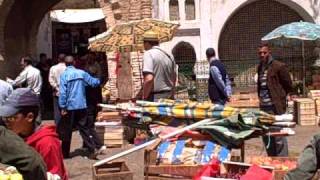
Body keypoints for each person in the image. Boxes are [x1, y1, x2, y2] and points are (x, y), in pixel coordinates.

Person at [0, 88, 68, 180]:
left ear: (29, 117)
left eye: (12, 118)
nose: (7, 122)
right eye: (5, 118)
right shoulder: (17, 137)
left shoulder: (47, 142)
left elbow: (54, 175)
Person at [59, 56, 105, 159]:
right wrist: (100, 79)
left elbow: (63, 92)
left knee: (67, 130)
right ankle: (92, 148)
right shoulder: (81, 73)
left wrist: (62, 106)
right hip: (82, 105)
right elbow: (94, 83)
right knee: (84, 128)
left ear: (65, 64)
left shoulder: (64, 75)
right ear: (74, 62)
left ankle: (65, 154)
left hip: (70, 106)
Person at [257, 42, 293, 157]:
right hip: (264, 107)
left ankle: (282, 159)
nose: (262, 55)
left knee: (278, 135)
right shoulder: (260, 67)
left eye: (264, 52)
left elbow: (288, 84)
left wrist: (281, 97)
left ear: (269, 52)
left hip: (275, 106)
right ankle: (271, 159)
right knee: (266, 135)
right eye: (260, 53)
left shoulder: (278, 66)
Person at [142, 30, 176, 101]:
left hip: (155, 97)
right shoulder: (169, 55)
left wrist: (144, 96)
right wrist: (172, 95)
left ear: (147, 43)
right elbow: (174, 78)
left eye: (143, 43)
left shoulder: (149, 54)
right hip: (169, 96)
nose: (143, 46)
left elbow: (149, 79)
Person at [49, 53, 66, 125]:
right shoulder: (67, 68)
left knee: (57, 110)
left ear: (58, 59)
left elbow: (51, 80)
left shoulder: (53, 68)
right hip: (66, 91)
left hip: (56, 91)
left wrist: (56, 87)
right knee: (66, 109)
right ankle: (66, 125)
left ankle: (58, 125)